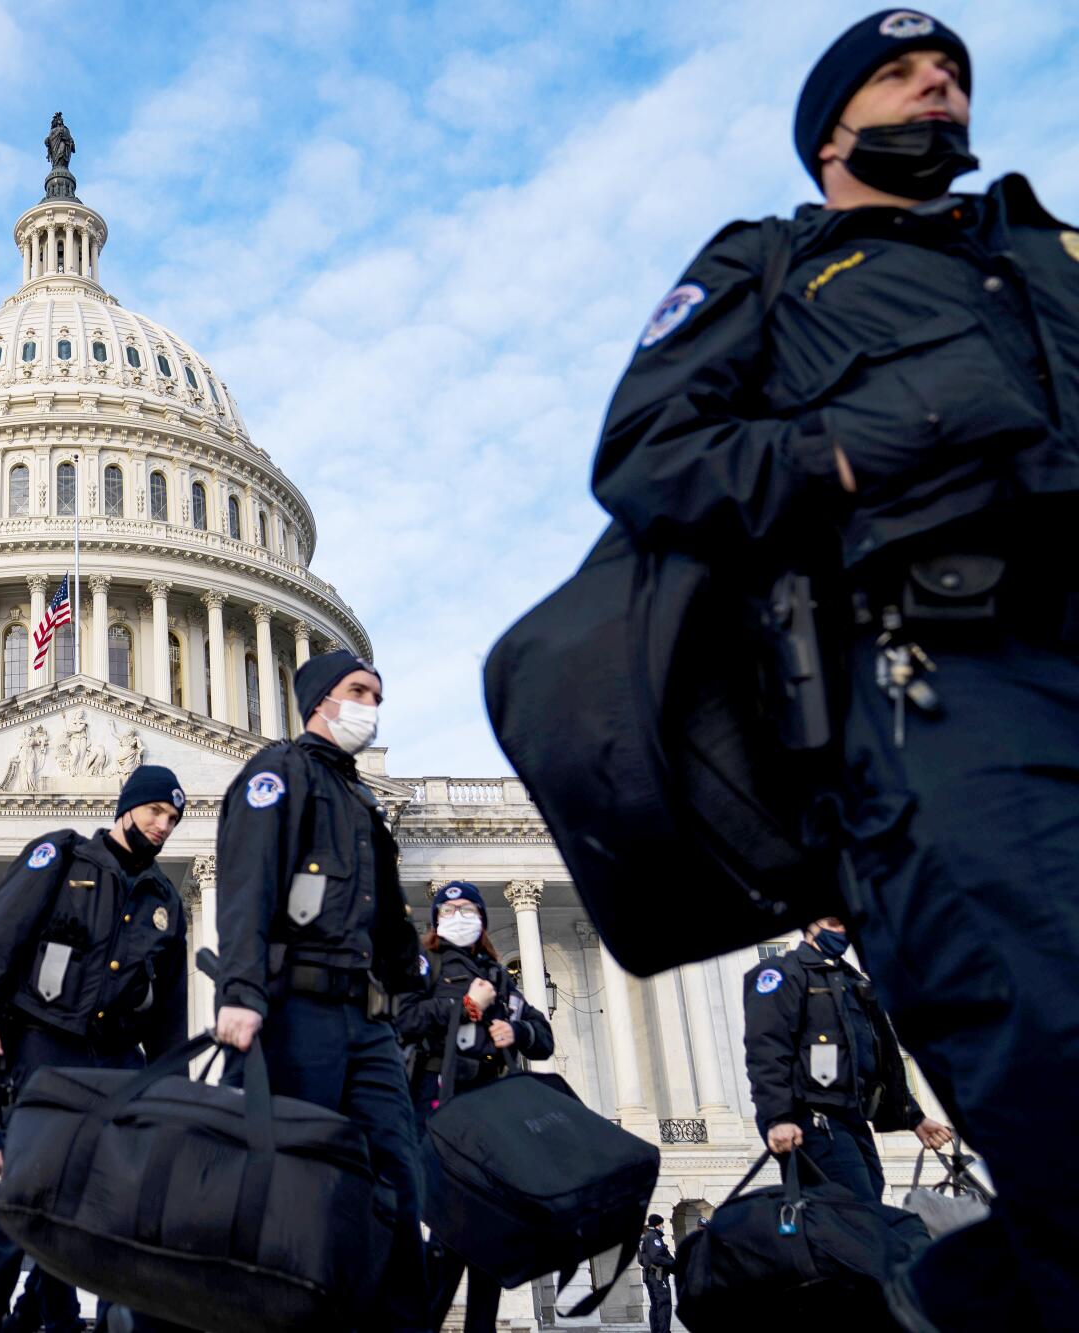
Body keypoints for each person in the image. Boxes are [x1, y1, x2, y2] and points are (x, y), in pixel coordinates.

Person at [588, 10, 1079, 1327]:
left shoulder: (1042, 254)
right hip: (947, 700)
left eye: (956, 73)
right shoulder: (775, 266)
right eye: (902, 70)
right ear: (830, 130)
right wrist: (854, 452)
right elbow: (647, 462)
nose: (940, 85)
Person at [213, 649, 430, 1332]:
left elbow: (390, 921)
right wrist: (241, 988)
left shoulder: (363, 799)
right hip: (296, 1010)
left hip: (366, 1026)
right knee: (295, 1186)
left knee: (398, 1182)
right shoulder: (278, 773)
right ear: (318, 699)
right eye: (359, 690)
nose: (371, 705)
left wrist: (416, 995)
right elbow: (248, 882)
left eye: (377, 693)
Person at [0, 765, 191, 1333]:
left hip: (116, 1059)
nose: (163, 826)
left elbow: (169, 1010)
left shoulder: (165, 901)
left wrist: (171, 1083)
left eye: (174, 819)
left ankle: (76, 1318)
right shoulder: (62, 859)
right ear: (127, 807)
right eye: (155, 811)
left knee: (113, 1205)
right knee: (28, 1197)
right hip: (45, 1045)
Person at [394, 881, 554, 1333]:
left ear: (482, 919)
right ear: (435, 920)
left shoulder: (500, 975)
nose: (458, 915)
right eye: (448, 909)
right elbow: (403, 1019)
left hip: (493, 1109)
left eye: (467, 908)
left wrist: (516, 1033)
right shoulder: (422, 966)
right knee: (452, 1230)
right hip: (438, 1104)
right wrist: (464, 1007)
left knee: (487, 1236)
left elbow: (541, 1035)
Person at [744, 916, 951, 1201]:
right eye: (832, 923)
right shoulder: (780, 973)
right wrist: (778, 1118)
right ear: (810, 926)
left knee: (870, 1198)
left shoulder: (852, 980)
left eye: (845, 924)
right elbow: (766, 1050)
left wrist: (913, 1116)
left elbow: (876, 1058)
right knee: (853, 1207)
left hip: (851, 1114)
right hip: (810, 1117)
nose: (842, 931)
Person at [637, 1215, 673, 1333]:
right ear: (657, 1225)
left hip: (650, 1275)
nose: (663, 1227)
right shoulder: (653, 1237)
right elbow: (657, 1257)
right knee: (664, 1304)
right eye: (662, 1225)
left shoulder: (644, 1238)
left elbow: (641, 1260)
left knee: (655, 1305)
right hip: (658, 1275)